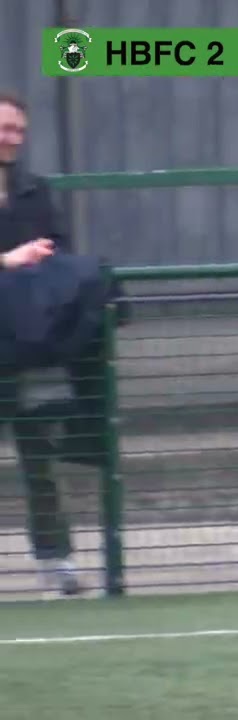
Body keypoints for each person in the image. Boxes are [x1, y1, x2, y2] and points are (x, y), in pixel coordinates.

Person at [0, 92, 84, 596]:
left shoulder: (35, 190)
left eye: (18, 130)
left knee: (38, 455)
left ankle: (56, 560)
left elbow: (63, 253)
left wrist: (41, 259)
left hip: (22, 342)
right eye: (4, 128)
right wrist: (7, 261)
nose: (12, 139)